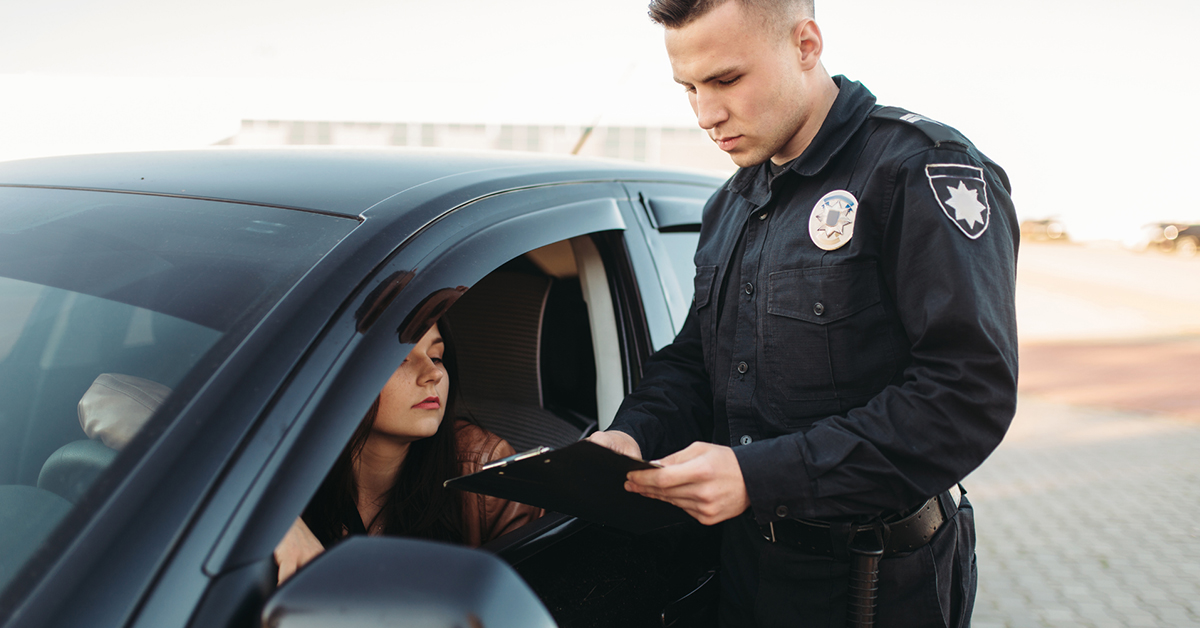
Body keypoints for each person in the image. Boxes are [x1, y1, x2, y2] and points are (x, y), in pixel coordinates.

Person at [588, 0, 1018, 626]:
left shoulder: (920, 168)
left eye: (727, 80)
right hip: (743, 569)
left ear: (806, 45)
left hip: (874, 586)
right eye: (689, 88)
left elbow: (966, 397)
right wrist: (631, 436)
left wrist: (759, 476)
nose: (706, 114)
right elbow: (695, 363)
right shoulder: (731, 204)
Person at [274, 321, 542, 584]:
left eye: (436, 357)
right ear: (341, 374)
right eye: (400, 357)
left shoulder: (484, 468)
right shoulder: (279, 473)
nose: (433, 373)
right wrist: (280, 526)